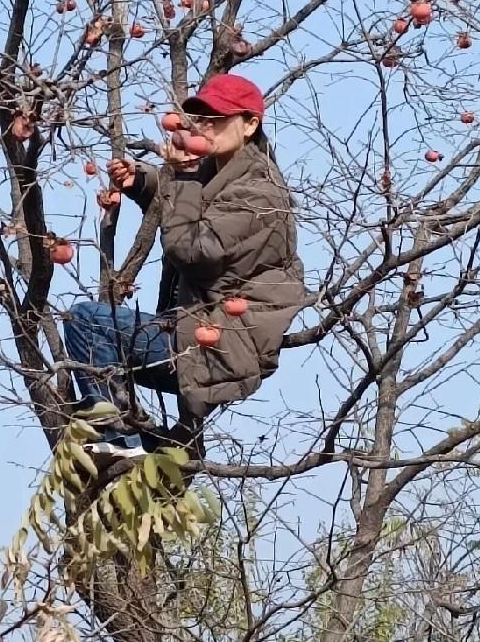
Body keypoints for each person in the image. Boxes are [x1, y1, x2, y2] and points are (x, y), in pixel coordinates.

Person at [64, 73, 308, 461]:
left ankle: (120, 439)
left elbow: (191, 248)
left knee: (88, 322)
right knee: (95, 333)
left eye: (218, 118)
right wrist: (141, 181)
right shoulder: (222, 171)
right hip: (200, 330)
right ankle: (154, 442)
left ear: (250, 124)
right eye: (202, 118)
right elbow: (183, 199)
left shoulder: (259, 192)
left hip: (225, 345)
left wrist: (184, 175)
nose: (206, 126)